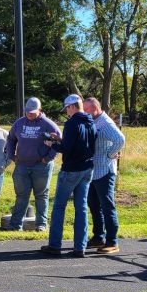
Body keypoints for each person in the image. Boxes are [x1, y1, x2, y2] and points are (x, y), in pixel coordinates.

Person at [42, 94, 96, 257]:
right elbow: (81, 143)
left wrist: (53, 144)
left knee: (59, 206)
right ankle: (80, 247)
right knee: (81, 208)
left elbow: (66, 148)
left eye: (67, 108)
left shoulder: (72, 123)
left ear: (72, 106)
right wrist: (60, 140)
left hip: (71, 169)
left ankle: (55, 245)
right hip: (87, 168)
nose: (66, 111)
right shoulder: (90, 121)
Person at [6, 97, 60, 231]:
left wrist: (48, 158)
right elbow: (11, 139)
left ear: (40, 110)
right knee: (21, 195)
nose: (30, 114)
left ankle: (41, 224)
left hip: (41, 166)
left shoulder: (48, 124)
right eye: (28, 111)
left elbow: (58, 142)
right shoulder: (19, 123)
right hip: (22, 165)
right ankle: (15, 225)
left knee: (41, 195)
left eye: (33, 112)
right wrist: (11, 155)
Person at [83, 97, 126, 254]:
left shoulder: (105, 122)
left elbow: (120, 139)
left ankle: (112, 241)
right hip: (94, 171)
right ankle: (98, 237)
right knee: (94, 205)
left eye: (86, 109)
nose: (84, 112)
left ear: (94, 108)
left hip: (105, 171)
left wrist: (110, 154)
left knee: (107, 206)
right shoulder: (93, 121)